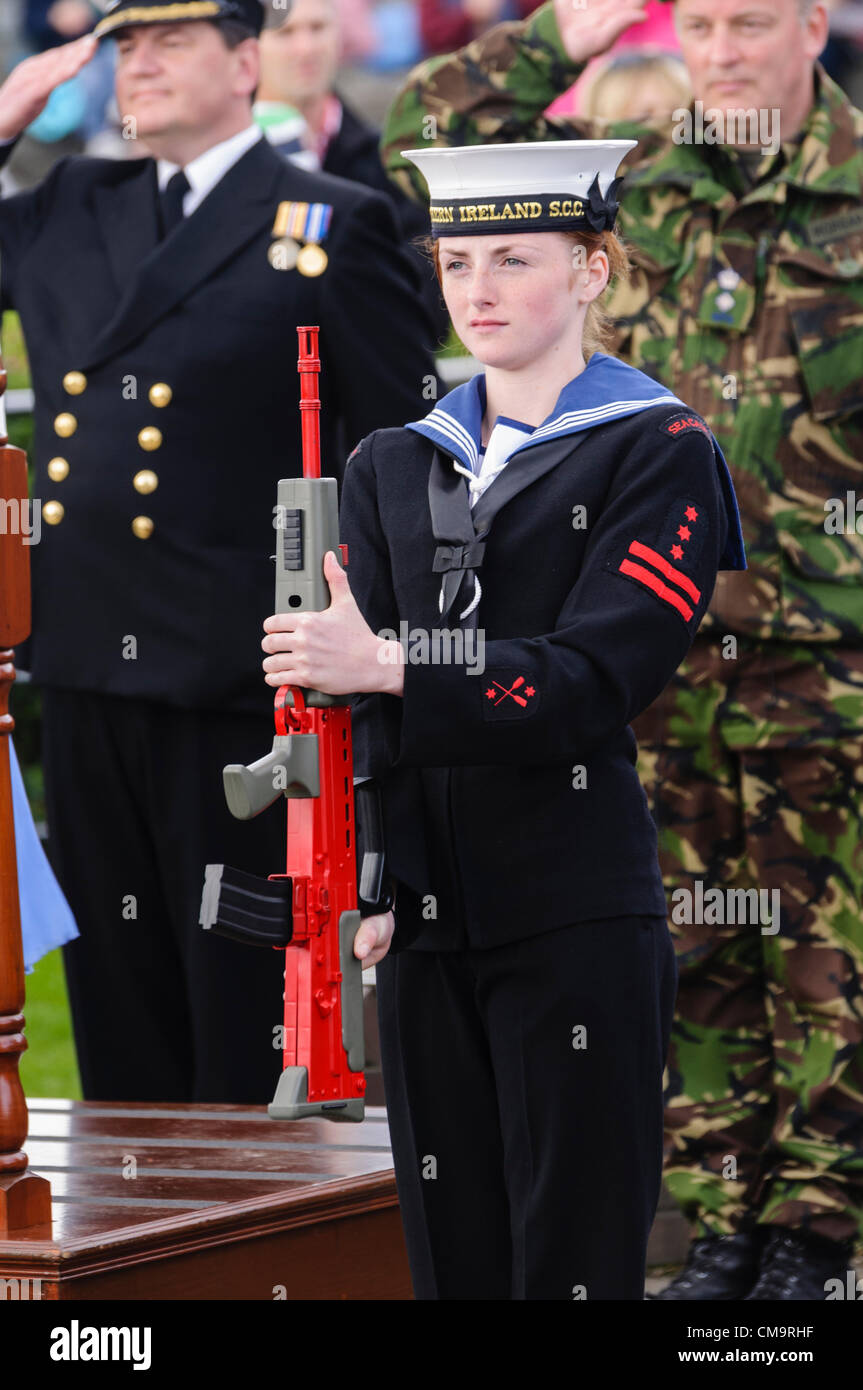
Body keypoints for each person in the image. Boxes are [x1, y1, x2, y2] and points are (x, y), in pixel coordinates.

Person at [381, 0, 863, 1299]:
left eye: (746, 23)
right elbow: (424, 141)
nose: (717, 51)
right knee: (689, 950)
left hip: (825, 663)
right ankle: (713, 1222)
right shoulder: (624, 195)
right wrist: (558, 34)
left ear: (810, 27)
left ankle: (814, 1236)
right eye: (695, 25)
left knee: (829, 958)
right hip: (643, 660)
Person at [260, 138, 746, 1299]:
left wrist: (386, 665)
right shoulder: (389, 461)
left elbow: (585, 680)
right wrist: (374, 872)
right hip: (424, 920)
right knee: (453, 1257)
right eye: (455, 259)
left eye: (514, 259)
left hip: (569, 907)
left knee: (569, 1255)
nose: (475, 290)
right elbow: (363, 712)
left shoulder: (659, 448)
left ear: (592, 269)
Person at [0, 0, 438, 1105]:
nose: (139, 66)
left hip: (245, 677)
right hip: (89, 658)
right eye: (126, 46)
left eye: (171, 42)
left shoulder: (327, 220)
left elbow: (392, 452)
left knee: (243, 1005)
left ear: (246, 62)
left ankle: (249, 1260)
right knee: (118, 1004)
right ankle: (133, 1255)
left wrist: (372, 652)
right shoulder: (69, 202)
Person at [257, 0, 449, 343]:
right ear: (250, 46)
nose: (305, 48)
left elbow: (430, 293)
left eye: (317, 28)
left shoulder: (389, 159)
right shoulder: (223, 159)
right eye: (285, 32)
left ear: (339, 34)